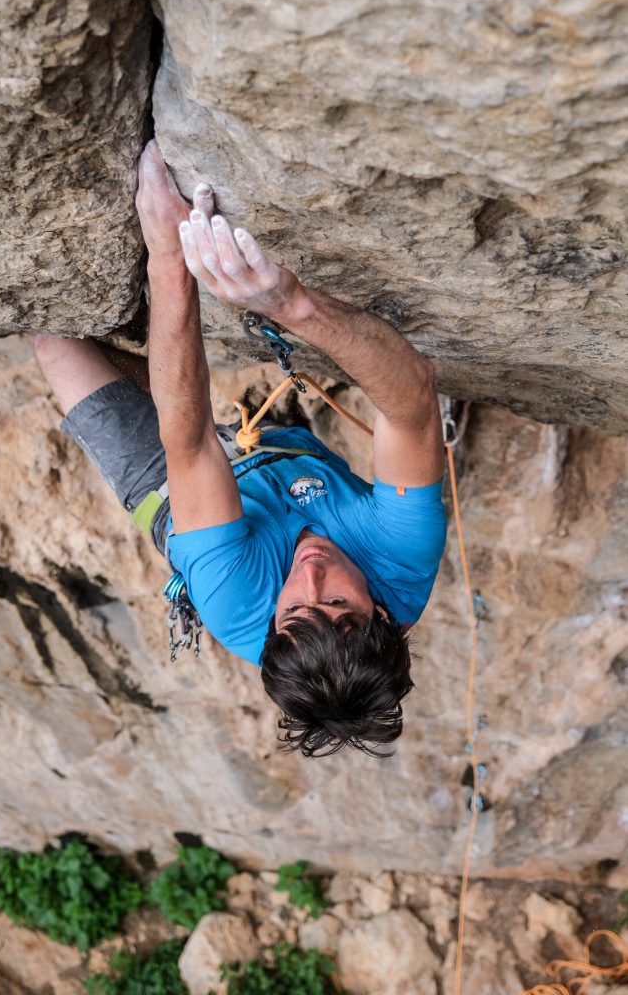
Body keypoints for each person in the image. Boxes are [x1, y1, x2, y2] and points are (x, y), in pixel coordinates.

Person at [35, 140, 447, 757]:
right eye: (336, 599)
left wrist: (169, 258)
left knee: (56, 343)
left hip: (175, 492)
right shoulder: (402, 560)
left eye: (297, 609)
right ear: (383, 613)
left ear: (273, 626)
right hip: (284, 457)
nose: (310, 572)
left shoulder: (238, 602)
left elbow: (192, 444)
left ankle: (138, 355)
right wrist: (289, 303)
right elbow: (412, 400)